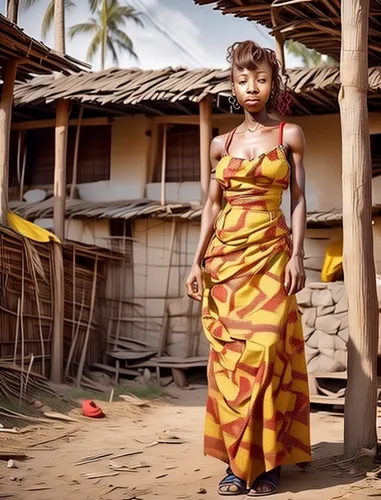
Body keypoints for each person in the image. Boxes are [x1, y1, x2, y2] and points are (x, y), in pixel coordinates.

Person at [185, 40, 311, 497]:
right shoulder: (222, 144)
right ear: (233, 87)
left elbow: (298, 201)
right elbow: (211, 206)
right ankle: (238, 466)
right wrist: (196, 261)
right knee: (230, 363)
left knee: (266, 349)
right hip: (226, 263)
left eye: (260, 79)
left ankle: (270, 460)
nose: (251, 87)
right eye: (242, 80)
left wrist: (298, 254)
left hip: (272, 255)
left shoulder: (289, 136)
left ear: (272, 82)